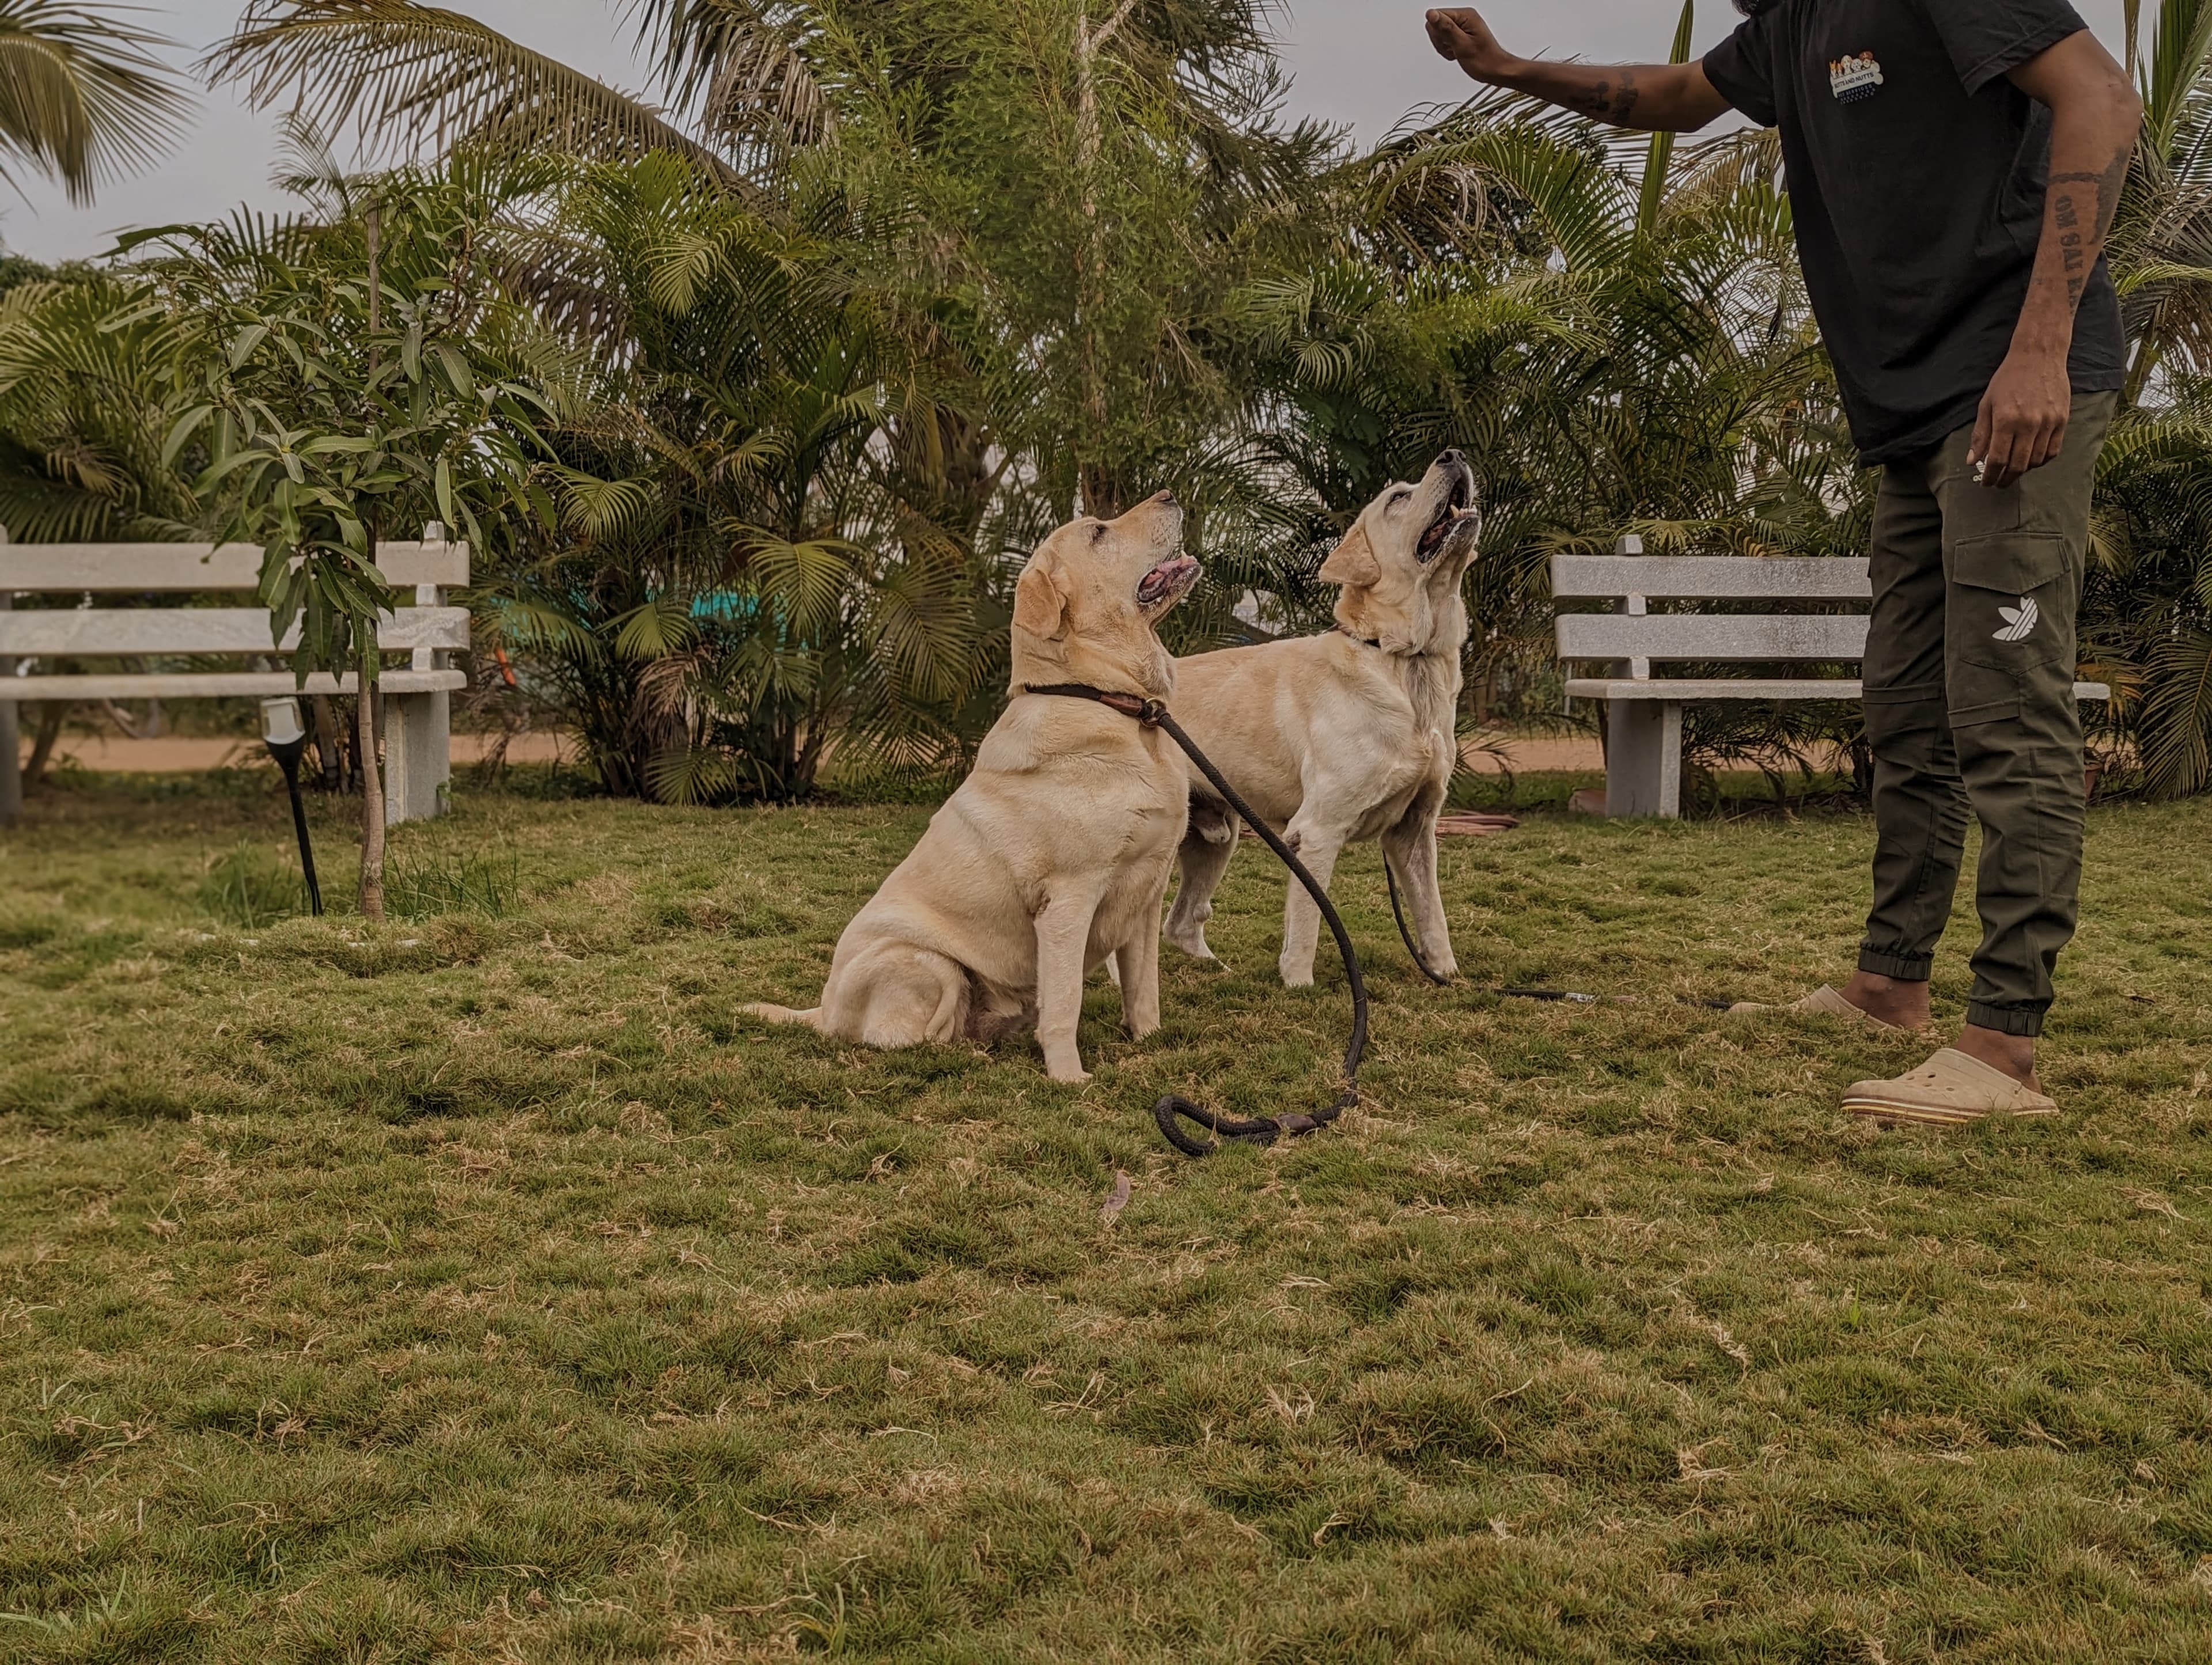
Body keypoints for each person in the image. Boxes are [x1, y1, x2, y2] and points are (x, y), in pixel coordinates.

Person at [1426, 3, 2142, 1125]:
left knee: (2005, 709)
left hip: (2012, 381)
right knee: (1907, 710)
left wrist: (2043, 347)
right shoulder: (1790, 26)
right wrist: (1513, 69)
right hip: (1910, 415)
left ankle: (2003, 1046)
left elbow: (2103, 97)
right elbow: (1671, 96)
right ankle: (1889, 986)